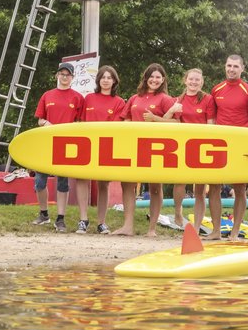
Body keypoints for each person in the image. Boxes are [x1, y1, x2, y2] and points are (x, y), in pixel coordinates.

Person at [112, 63, 177, 237]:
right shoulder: (134, 98)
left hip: (157, 147)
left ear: (163, 80)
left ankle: (152, 229)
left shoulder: (165, 99)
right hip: (133, 146)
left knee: (155, 186)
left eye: (158, 77)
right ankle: (128, 226)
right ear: (146, 78)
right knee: (128, 184)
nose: (154, 80)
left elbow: (178, 123)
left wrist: (155, 118)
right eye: (152, 76)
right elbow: (125, 120)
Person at [205, 55, 248, 240]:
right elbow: (211, 117)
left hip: (240, 143)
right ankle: (216, 230)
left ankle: (235, 231)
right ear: (224, 67)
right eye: (229, 65)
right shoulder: (216, 89)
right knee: (214, 186)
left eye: (236, 66)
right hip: (219, 144)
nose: (231, 69)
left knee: (240, 188)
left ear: (242, 68)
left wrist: (237, 135)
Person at [32, 62, 84, 232]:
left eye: (67, 74)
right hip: (46, 143)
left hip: (67, 144)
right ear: (57, 76)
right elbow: (39, 119)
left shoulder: (77, 97)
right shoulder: (47, 95)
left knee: (63, 181)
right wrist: (45, 122)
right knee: (40, 180)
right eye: (61, 74)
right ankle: (43, 213)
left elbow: (80, 122)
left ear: (72, 77)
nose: (64, 77)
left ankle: (60, 218)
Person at [162, 68, 216, 230]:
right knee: (180, 182)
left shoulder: (208, 99)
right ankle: (178, 211)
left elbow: (211, 124)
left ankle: (197, 226)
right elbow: (164, 121)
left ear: (202, 82)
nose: (193, 82)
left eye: (197, 80)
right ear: (185, 80)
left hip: (202, 146)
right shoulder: (177, 100)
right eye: (191, 79)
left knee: (200, 189)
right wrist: (171, 110)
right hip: (182, 146)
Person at [75, 65, 125, 235]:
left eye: (109, 77)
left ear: (114, 81)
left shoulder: (119, 102)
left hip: (106, 146)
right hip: (87, 144)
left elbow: (117, 127)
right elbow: (80, 122)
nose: (105, 80)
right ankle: (83, 220)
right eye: (103, 77)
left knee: (103, 184)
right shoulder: (88, 98)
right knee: (82, 180)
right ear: (98, 80)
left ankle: (101, 222)